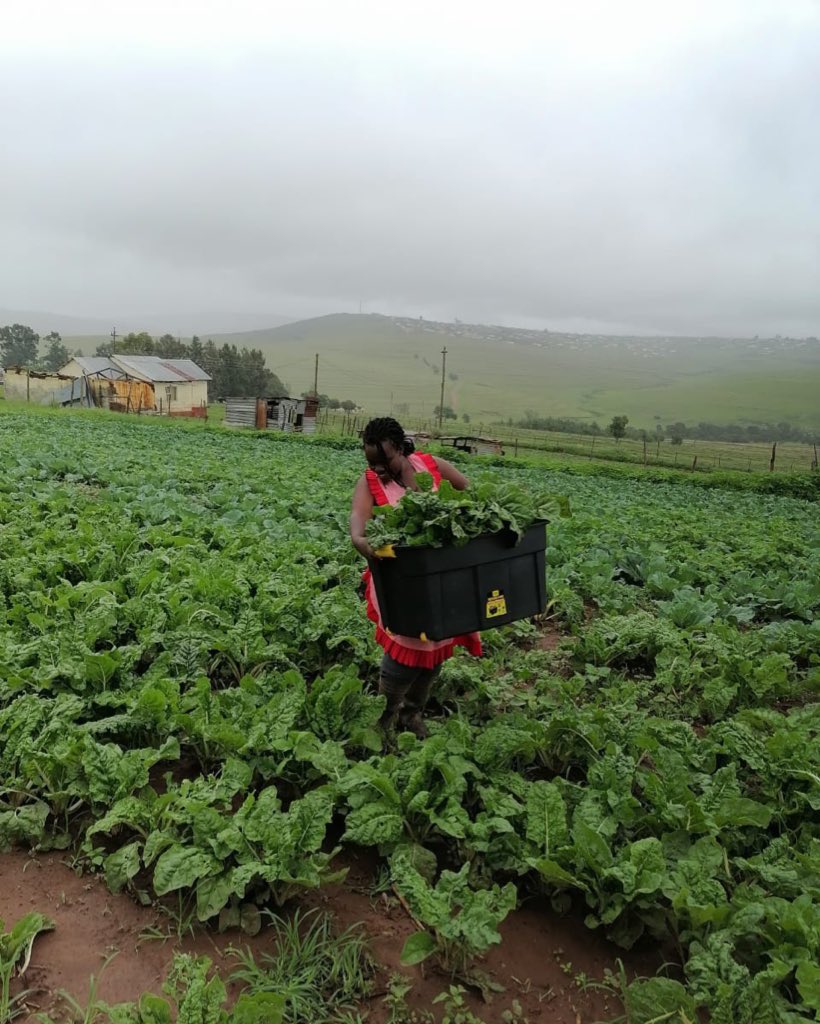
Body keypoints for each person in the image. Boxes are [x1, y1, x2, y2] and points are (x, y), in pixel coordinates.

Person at [349, 417, 482, 738]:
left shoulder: (431, 465)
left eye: (385, 461)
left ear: (400, 447)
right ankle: (385, 717)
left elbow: (474, 495)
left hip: (442, 580)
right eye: (372, 462)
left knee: (435, 646)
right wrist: (365, 543)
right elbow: (358, 523)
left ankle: (412, 713)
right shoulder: (369, 482)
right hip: (400, 581)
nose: (378, 468)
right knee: (402, 652)